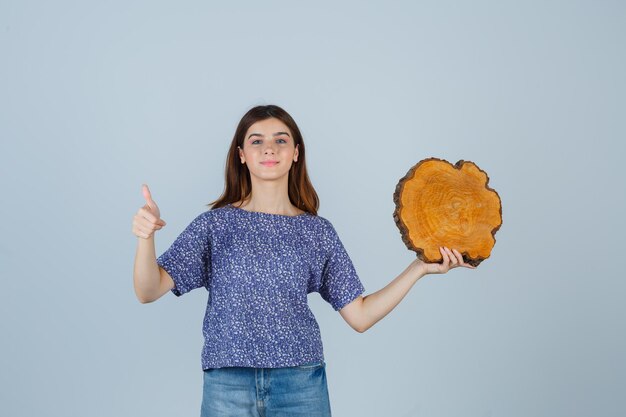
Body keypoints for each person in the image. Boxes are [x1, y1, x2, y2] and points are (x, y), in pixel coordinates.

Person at [131, 104, 476, 417]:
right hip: (227, 383)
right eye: (256, 141)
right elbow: (149, 290)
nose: (269, 148)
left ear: (296, 153)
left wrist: (419, 268)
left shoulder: (317, 232)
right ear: (241, 155)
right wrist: (146, 238)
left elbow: (360, 315)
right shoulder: (215, 225)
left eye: (281, 140)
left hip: (300, 385)